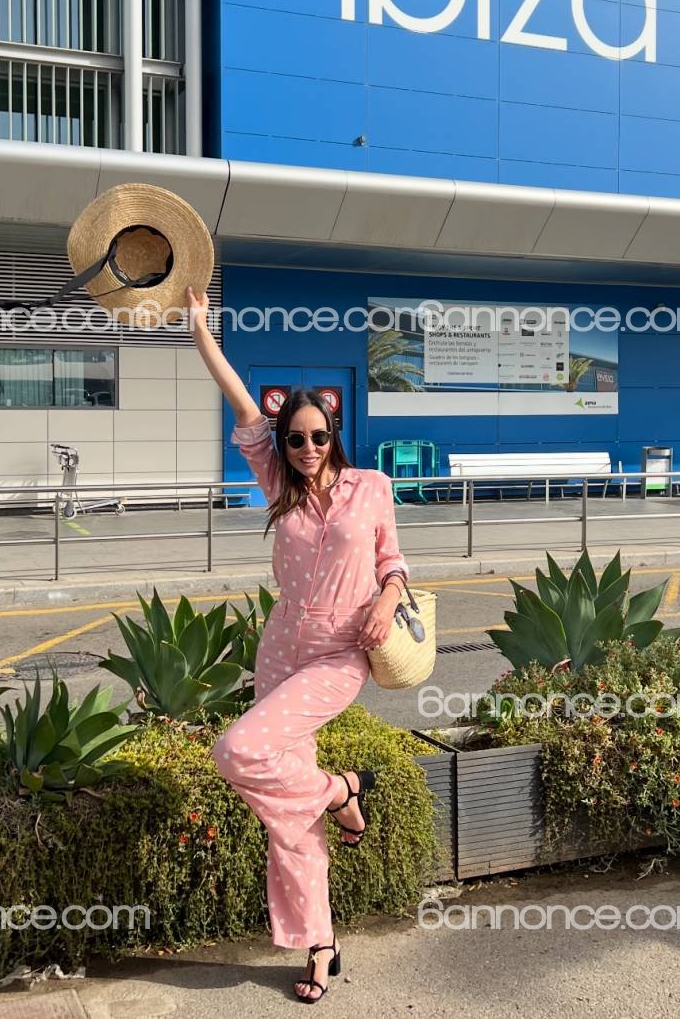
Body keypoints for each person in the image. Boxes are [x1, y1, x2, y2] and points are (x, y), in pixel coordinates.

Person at [187, 285, 409, 1004]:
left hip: (341, 650)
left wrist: (389, 599)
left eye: (317, 436)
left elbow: (393, 562)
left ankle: (340, 791)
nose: (306, 448)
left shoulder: (371, 487)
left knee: (238, 752)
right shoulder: (277, 481)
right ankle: (321, 942)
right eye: (295, 439)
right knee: (285, 811)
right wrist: (201, 329)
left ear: (333, 434)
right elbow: (240, 401)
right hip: (282, 643)